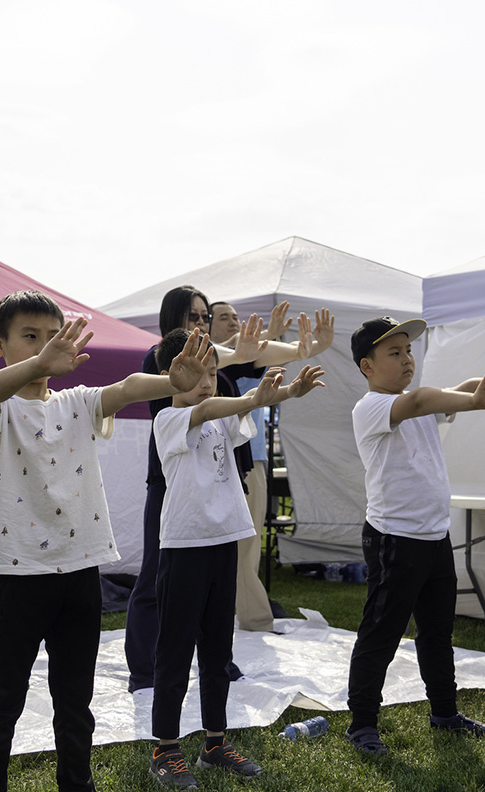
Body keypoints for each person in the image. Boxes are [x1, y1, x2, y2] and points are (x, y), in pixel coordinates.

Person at [0, 290, 214, 792]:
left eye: (50, 336)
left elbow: (125, 388)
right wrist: (40, 362)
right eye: (29, 337)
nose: (44, 347)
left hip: (80, 573)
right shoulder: (1, 408)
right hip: (17, 574)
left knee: (75, 700)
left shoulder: (76, 403)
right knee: (3, 698)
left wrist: (171, 381)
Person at [345, 316, 485, 756]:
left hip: (434, 538)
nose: (407, 359)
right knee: (381, 634)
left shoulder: (418, 403)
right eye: (394, 353)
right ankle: (362, 725)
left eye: (408, 351)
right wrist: (475, 401)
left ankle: (445, 713)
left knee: (437, 633)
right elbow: (425, 399)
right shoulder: (373, 407)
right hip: (394, 540)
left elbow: (466, 387)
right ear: (367, 366)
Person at [125, 285, 333, 692]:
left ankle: (217, 662)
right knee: (155, 581)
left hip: (218, 488)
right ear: (172, 319)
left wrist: (298, 352)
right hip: (171, 487)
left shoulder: (214, 369)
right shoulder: (162, 358)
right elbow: (216, 393)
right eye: (194, 316)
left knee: (216, 588)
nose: (202, 323)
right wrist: (249, 368)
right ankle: (145, 671)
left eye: (205, 316)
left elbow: (249, 360)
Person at [148, 328, 324, 787]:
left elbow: (234, 407)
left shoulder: (223, 417)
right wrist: (255, 398)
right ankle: (165, 749)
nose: (207, 383)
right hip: (184, 549)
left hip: (223, 544)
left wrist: (287, 392)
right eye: (196, 373)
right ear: (170, 375)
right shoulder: (168, 419)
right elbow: (211, 408)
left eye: (213, 372)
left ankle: (214, 743)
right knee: (174, 652)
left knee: (217, 652)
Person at [208, 299, 335, 632]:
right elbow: (238, 347)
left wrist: (303, 347)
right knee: (226, 545)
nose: (233, 321)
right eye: (223, 317)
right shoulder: (212, 361)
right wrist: (281, 341)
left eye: (235, 316)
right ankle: (242, 616)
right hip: (216, 461)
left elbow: (259, 351)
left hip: (251, 458)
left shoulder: (244, 355)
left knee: (248, 542)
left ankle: (250, 617)